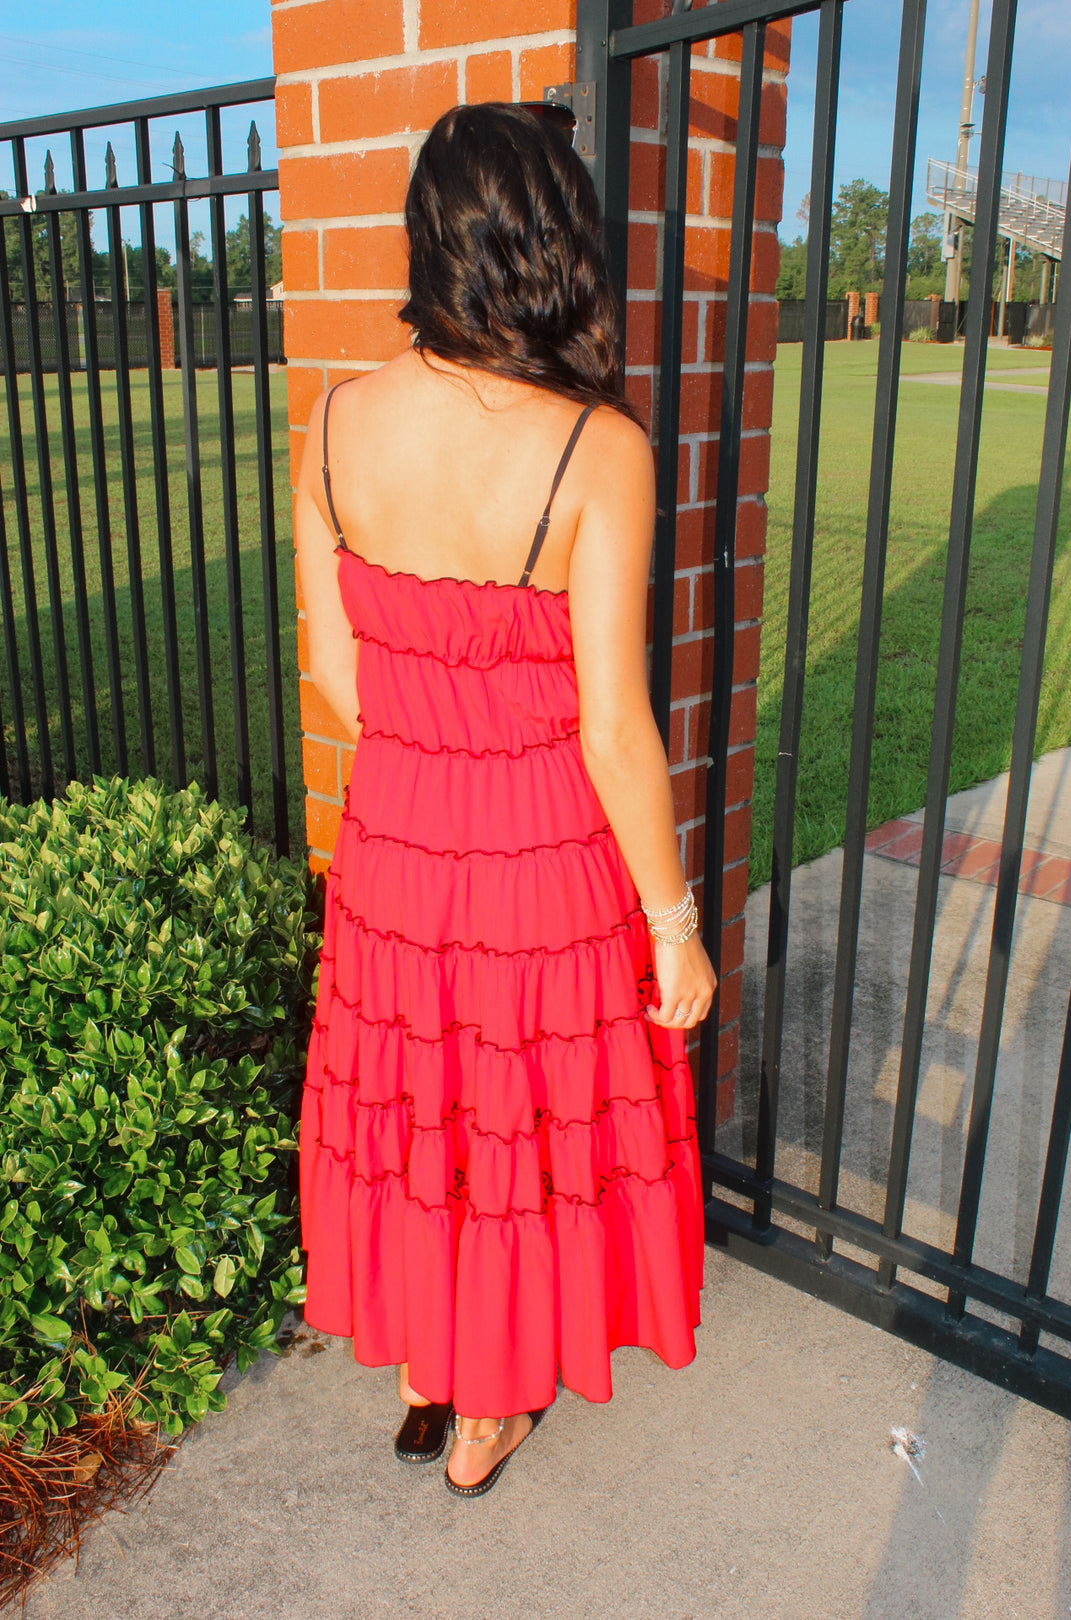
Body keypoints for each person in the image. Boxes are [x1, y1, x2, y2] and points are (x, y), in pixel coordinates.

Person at [294, 100, 715, 1499]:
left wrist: (428, 759)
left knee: (417, 1107)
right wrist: (673, 920)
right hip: (540, 867)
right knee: (515, 1129)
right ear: (557, 247)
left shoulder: (338, 422)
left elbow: (330, 663)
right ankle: (484, 1414)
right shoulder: (598, 450)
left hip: (395, 855)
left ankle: (427, 1366)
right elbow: (612, 727)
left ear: (432, 239)